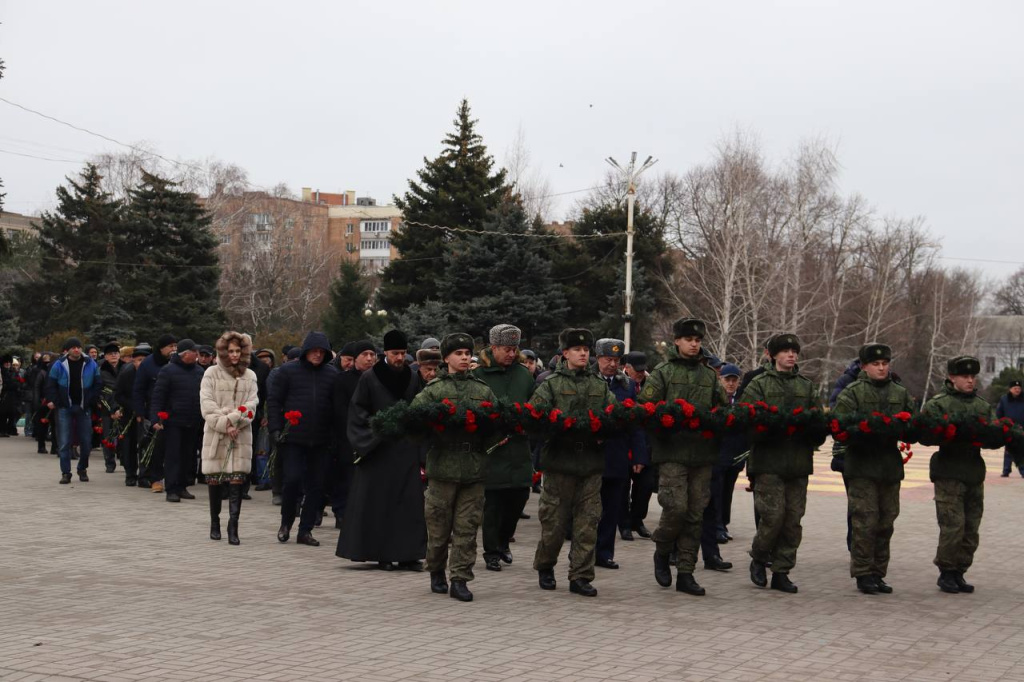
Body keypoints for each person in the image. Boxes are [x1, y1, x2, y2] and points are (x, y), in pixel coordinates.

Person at [639, 319, 729, 596]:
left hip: (702, 455)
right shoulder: (663, 373)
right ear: (677, 341)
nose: (694, 344)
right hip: (672, 453)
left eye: (698, 340)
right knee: (676, 508)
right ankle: (663, 550)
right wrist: (666, 422)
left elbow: (724, 410)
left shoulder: (709, 376)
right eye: (688, 339)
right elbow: (645, 408)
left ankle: (686, 572)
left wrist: (717, 422)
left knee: (694, 514)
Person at [413, 332, 498, 602]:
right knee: (438, 529)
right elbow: (414, 420)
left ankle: (460, 578)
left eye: (466, 353)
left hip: (473, 469)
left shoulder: (482, 390)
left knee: (467, 528)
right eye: (458, 354)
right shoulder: (434, 389)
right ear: (446, 358)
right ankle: (436, 570)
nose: (464, 358)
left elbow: (497, 423)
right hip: (443, 469)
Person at [532, 328, 613, 598]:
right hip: (559, 465)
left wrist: (605, 431)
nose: (583, 354)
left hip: (590, 464)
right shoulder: (551, 384)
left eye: (586, 350)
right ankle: (545, 566)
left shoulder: (599, 385)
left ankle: (580, 575)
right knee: (554, 524)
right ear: (565, 353)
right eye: (577, 349)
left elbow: (614, 415)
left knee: (587, 524)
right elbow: (535, 416)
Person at [337, 331, 426, 569]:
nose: (399, 358)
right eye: (395, 353)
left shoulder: (413, 376)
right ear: (384, 353)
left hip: (406, 449)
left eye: (402, 353)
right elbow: (358, 412)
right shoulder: (370, 378)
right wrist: (378, 429)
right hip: (379, 449)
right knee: (380, 503)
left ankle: (408, 554)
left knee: (408, 504)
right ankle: (382, 554)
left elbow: (419, 407)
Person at [832, 343, 915, 594]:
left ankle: (879, 572)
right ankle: (863, 572)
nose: (881, 368)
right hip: (862, 466)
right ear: (864, 366)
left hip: (889, 466)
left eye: (885, 363)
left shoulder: (900, 392)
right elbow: (840, 426)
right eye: (875, 364)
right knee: (864, 521)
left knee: (886, 521)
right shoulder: (852, 392)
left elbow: (913, 423)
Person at [744, 333, 821, 594]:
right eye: (786, 351)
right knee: (773, 517)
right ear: (773, 355)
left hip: (798, 463)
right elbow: (746, 419)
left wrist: (813, 430)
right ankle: (759, 555)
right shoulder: (759, 385)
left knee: (793, 521)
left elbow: (818, 419)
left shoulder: (806, 386)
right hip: (768, 463)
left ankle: (781, 571)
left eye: (794, 351)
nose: (791, 355)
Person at [922, 355, 991, 594]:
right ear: (952, 378)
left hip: (973, 472)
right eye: (965, 376)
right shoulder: (939, 404)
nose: (970, 381)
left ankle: (960, 570)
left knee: (971, 528)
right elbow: (927, 433)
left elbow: (991, 432)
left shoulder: (982, 405)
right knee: (953, 525)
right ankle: (946, 572)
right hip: (948, 473)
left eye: (973, 377)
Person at [473, 324, 535, 574]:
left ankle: (504, 540)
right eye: (506, 349)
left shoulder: (523, 374)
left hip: (519, 447)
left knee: (520, 496)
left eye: (514, 349)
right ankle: (491, 551)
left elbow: (534, 404)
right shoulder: (480, 375)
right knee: (494, 502)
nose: (511, 354)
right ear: (494, 347)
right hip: (492, 448)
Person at [269, 331, 337, 547]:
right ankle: (286, 522)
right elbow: (274, 401)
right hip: (293, 438)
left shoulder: (332, 374)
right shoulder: (288, 372)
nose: (318, 355)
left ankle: (305, 530)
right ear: (306, 351)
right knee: (292, 480)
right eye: (314, 351)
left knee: (316, 485)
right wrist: (276, 430)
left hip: (321, 439)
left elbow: (337, 407)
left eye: (322, 352)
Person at [593, 338, 648, 570]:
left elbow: (635, 424)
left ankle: (604, 553)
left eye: (616, 360)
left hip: (616, 456)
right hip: (591, 456)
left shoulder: (625, 386)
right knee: (588, 511)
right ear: (598, 359)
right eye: (608, 359)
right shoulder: (589, 382)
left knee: (612, 508)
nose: (612, 364)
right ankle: (584, 552)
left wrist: (638, 456)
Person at [200, 332, 259, 545]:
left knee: (237, 479)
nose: (235, 355)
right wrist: (226, 424)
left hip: (241, 434)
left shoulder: (250, 376)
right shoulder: (211, 373)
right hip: (216, 433)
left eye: (238, 351)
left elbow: (252, 405)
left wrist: (236, 422)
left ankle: (233, 526)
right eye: (231, 351)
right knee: (215, 480)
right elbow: (207, 405)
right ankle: (215, 521)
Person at [150, 339, 205, 503]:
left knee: (188, 456)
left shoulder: (199, 371)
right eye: (195, 351)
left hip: (193, 420)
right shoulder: (168, 371)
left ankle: (182, 486)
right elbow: (158, 396)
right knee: (173, 456)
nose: (197, 354)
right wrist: (156, 418)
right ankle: (172, 489)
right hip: (173, 421)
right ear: (186, 354)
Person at [46, 337, 102, 484]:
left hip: (84, 406)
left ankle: (82, 468)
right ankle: (66, 472)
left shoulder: (91, 364)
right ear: (68, 350)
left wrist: (91, 400)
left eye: (78, 347)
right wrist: (57, 401)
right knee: (64, 442)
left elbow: (98, 384)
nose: (76, 349)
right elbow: (50, 385)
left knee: (86, 441)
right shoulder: (59, 365)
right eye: (73, 347)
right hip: (65, 407)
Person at [620, 350, 656, 540]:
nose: (641, 373)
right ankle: (624, 523)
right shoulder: (620, 383)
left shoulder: (651, 385)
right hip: (624, 443)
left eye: (643, 370)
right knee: (622, 487)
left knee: (645, 487)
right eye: (637, 370)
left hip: (647, 444)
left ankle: (637, 519)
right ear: (627, 368)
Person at [133, 334, 177, 490]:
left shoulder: (175, 362)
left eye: (175, 346)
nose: (173, 349)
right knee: (149, 445)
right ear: (161, 348)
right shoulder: (148, 364)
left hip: (171, 411)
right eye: (170, 346)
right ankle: (146, 476)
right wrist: (139, 412)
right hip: (151, 410)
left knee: (167, 447)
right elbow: (138, 389)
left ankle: (164, 476)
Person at [712, 364, 746, 544]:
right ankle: (717, 525)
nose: (731, 384)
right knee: (716, 490)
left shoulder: (742, 401)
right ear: (721, 380)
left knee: (728, 491)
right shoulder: (715, 399)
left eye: (734, 380)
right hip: (717, 454)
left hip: (735, 455)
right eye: (727, 380)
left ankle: (723, 523)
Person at [115, 345, 149, 486]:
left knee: (145, 443)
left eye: (145, 360)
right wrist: (134, 407)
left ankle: (144, 475)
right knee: (129, 444)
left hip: (146, 413)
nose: (141, 363)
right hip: (129, 413)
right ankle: (130, 474)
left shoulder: (152, 373)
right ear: (133, 361)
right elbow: (118, 395)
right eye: (139, 360)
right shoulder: (126, 373)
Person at [97, 342, 122, 473]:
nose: (113, 355)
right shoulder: (101, 371)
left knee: (124, 436)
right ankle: (110, 462)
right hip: (107, 408)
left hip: (123, 407)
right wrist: (111, 408)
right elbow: (100, 391)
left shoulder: (125, 368)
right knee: (108, 436)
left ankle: (125, 460)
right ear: (105, 356)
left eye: (116, 353)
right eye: (110, 354)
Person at [997, 380, 1024, 478]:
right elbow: (999, 413)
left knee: (1021, 449)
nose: (1017, 390)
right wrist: (1000, 423)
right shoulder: (1004, 399)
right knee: (1008, 449)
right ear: (1010, 389)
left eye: (1019, 388)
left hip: (1022, 428)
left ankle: (1022, 470)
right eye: (1015, 388)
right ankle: (1006, 470)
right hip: (1008, 427)